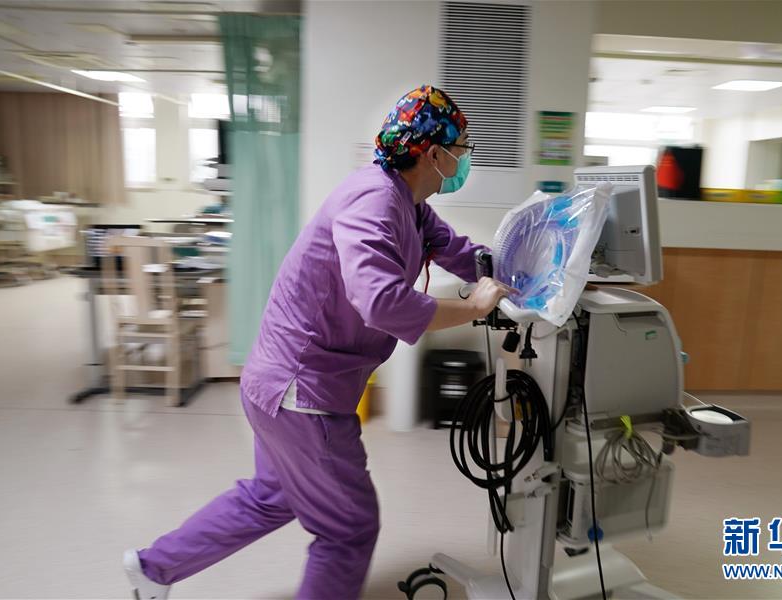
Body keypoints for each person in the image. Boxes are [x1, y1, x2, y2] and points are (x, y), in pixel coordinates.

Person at [123, 85, 513, 599]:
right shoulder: (374, 200)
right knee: (348, 529)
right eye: (460, 149)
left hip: (277, 383)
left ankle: (152, 569)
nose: (464, 160)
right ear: (433, 153)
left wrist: (518, 271)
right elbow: (382, 303)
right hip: (301, 394)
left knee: (270, 497)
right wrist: (474, 308)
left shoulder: (408, 202)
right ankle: (155, 568)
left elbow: (459, 251)